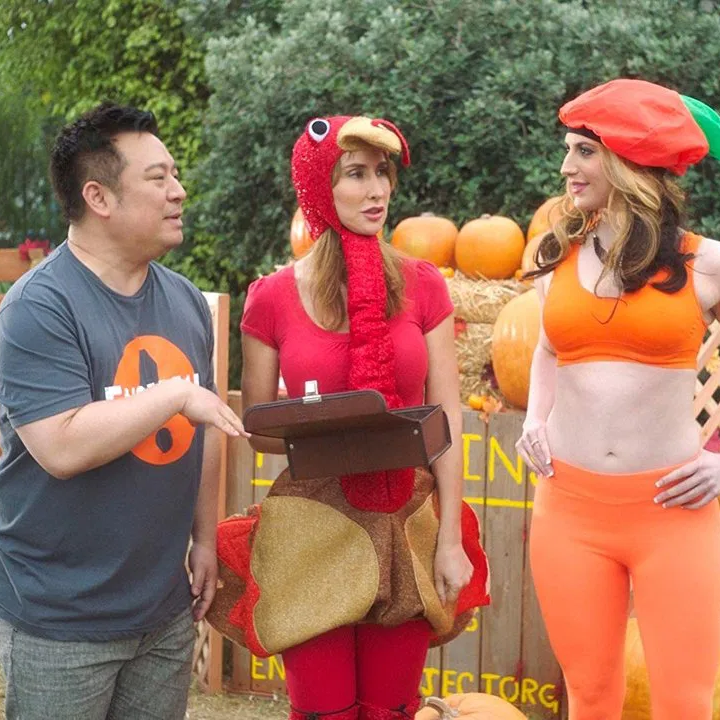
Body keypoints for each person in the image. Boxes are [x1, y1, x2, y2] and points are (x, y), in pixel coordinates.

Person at [516, 79, 720, 720]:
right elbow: (550, 348)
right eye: (568, 149)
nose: (566, 166)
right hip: (569, 511)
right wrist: (534, 417)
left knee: (685, 703)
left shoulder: (710, 264)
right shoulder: (558, 254)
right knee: (589, 697)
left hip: (672, 513)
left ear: (629, 160)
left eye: (584, 150)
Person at [207, 115, 490, 720]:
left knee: (391, 710)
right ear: (319, 187)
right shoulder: (271, 298)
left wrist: (448, 539)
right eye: (356, 174)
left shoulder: (423, 285)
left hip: (406, 520)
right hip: (314, 524)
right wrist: (331, 425)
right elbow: (260, 430)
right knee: (324, 712)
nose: (377, 190)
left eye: (382, 173)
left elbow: (446, 420)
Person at [0, 103, 247, 720]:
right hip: (59, 617)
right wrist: (173, 394)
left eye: (175, 174)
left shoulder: (185, 302)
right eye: (158, 178)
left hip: (163, 609)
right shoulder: (38, 308)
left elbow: (203, 431)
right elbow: (62, 446)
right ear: (98, 197)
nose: (179, 191)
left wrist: (205, 538)